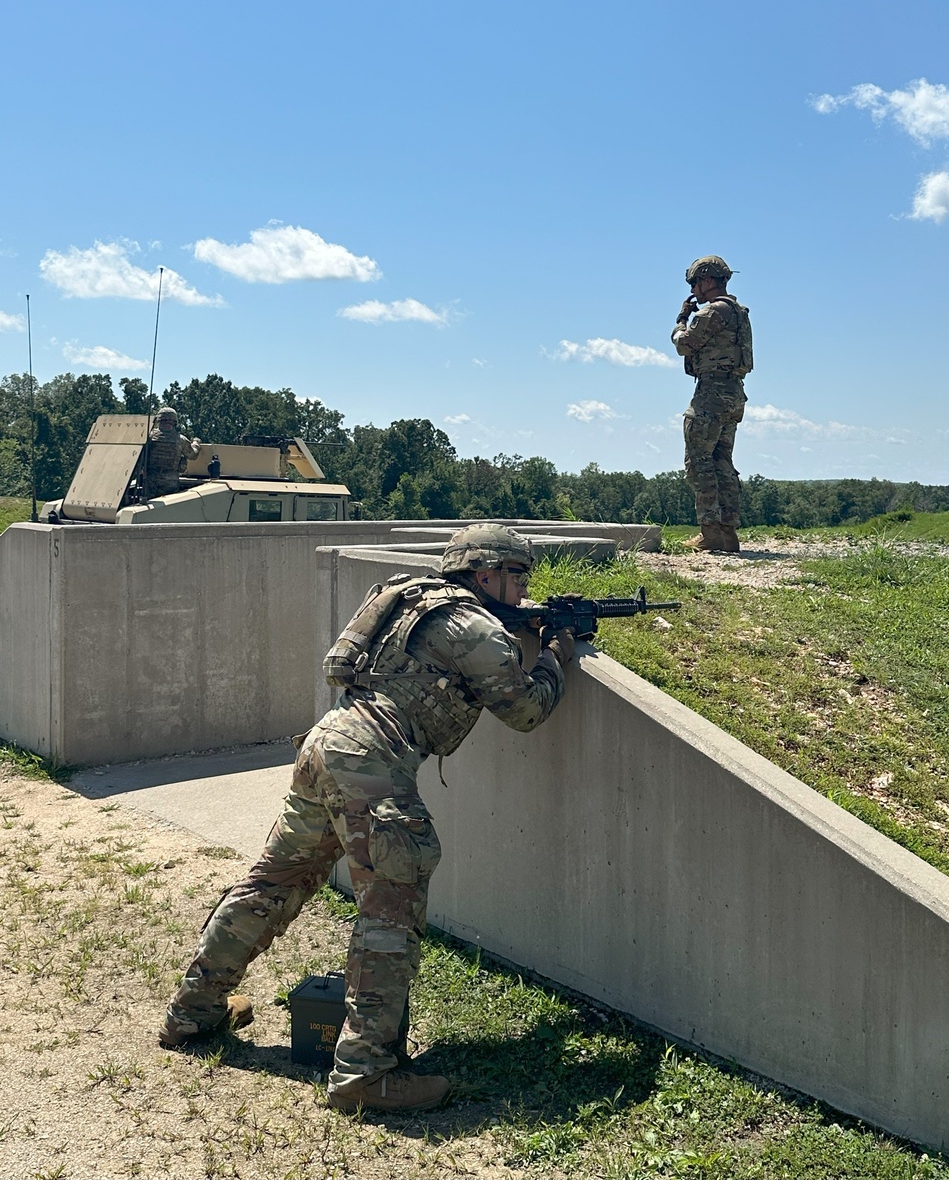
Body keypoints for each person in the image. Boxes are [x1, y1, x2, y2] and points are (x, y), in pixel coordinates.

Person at [158, 524, 575, 1113]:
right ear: (486, 574)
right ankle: (365, 1074)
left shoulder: (409, 598)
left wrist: (520, 627)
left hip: (326, 743)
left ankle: (193, 1013)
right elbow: (527, 711)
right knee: (391, 907)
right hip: (370, 763)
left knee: (273, 884)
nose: (523, 589)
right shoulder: (477, 627)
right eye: (518, 577)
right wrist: (558, 654)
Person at [671, 255, 753, 553]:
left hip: (712, 393)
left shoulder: (713, 312)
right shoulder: (738, 312)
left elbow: (684, 344)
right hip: (734, 393)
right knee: (722, 462)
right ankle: (728, 534)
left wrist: (680, 321)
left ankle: (709, 532)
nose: (694, 289)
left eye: (695, 282)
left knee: (699, 461)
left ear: (708, 279)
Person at [145, 407, 201, 499]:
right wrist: (196, 443)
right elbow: (193, 455)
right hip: (170, 481)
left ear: (159, 419)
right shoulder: (180, 439)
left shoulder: (149, 437)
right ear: (174, 421)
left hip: (151, 480)